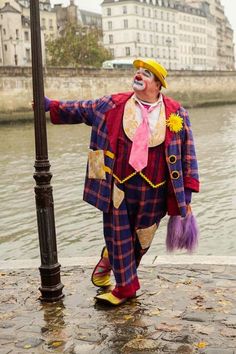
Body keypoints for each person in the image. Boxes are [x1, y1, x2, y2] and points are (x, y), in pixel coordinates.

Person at [45, 58, 200, 306]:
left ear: (158, 84)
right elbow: (82, 109)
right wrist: (50, 105)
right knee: (118, 235)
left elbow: (188, 154)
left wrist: (187, 194)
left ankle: (109, 259)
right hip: (116, 184)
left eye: (146, 73)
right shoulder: (113, 104)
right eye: (137, 71)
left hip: (156, 191)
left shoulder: (177, 113)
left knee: (142, 241)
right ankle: (125, 287)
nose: (139, 75)